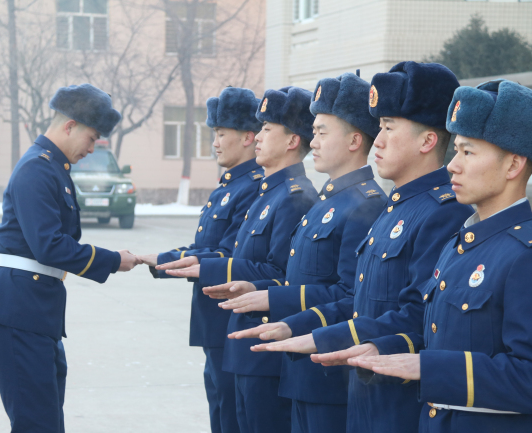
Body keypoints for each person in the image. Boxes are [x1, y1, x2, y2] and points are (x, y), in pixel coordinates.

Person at [231, 62, 475, 433]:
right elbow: (358, 301)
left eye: (388, 128)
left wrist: (320, 336)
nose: (378, 140)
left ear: (427, 142)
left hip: (396, 405)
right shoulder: (396, 208)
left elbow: (418, 318)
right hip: (363, 393)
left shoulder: (442, 212)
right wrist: (294, 325)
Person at [343, 80, 532, 433]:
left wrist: (428, 368)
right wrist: (379, 349)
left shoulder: (523, 255)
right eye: (455, 151)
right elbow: (435, 335)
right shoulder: (459, 244)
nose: (453, 166)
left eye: (468, 153)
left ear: (513, 165)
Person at [212, 72, 387, 433]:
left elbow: (350, 296)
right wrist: (261, 291)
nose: (314, 141)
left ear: (355, 140)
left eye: (321, 132)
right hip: (300, 369)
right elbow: (299, 278)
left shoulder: (365, 205)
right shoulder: (328, 201)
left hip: (328, 375)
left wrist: (271, 299)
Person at [0, 84, 140, 433]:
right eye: (91, 138)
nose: (91, 149)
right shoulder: (37, 169)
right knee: (38, 424)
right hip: (18, 312)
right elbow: (49, 246)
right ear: (69, 126)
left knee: (46, 420)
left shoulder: (53, 168)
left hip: (34, 310)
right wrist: (112, 260)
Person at [160, 86, 318, 433]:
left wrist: (203, 267)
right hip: (241, 337)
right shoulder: (269, 192)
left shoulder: (295, 197)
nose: (258, 136)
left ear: (292, 141)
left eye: (266, 129)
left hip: (263, 340)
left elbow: (281, 274)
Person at [137, 87, 264, 433]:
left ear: (248, 137)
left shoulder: (253, 187)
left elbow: (227, 255)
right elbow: (204, 246)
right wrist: (164, 259)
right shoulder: (228, 186)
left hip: (231, 319)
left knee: (231, 415)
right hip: (212, 321)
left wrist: (166, 260)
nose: (215, 143)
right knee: (219, 409)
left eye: (222, 134)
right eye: (215, 134)